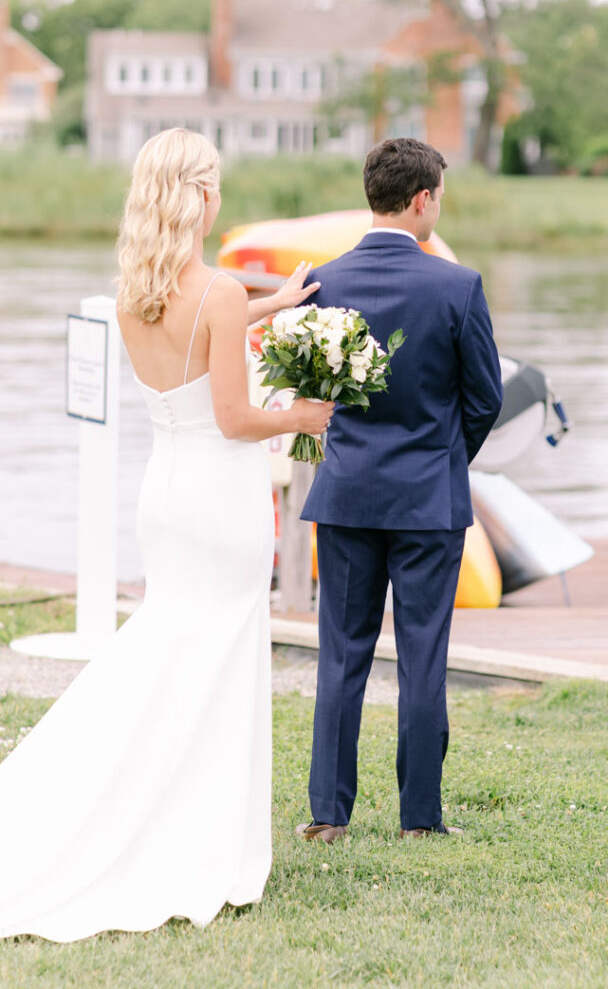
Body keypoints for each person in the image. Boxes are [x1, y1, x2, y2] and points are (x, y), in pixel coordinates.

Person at [0, 127, 333, 942]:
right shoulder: (213, 289)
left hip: (165, 495)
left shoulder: (134, 293)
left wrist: (272, 305)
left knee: (175, 651)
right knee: (213, 662)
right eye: (214, 180)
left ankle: (148, 808)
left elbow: (200, 341)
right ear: (199, 194)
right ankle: (195, 837)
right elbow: (232, 416)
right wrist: (300, 415)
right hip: (219, 500)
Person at [296, 138, 503, 843]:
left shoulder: (321, 282)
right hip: (426, 500)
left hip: (347, 494)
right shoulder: (456, 286)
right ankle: (419, 820)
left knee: (342, 653)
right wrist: (443, 458)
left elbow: (311, 389)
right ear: (421, 200)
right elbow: (484, 399)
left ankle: (328, 813)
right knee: (422, 655)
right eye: (438, 196)